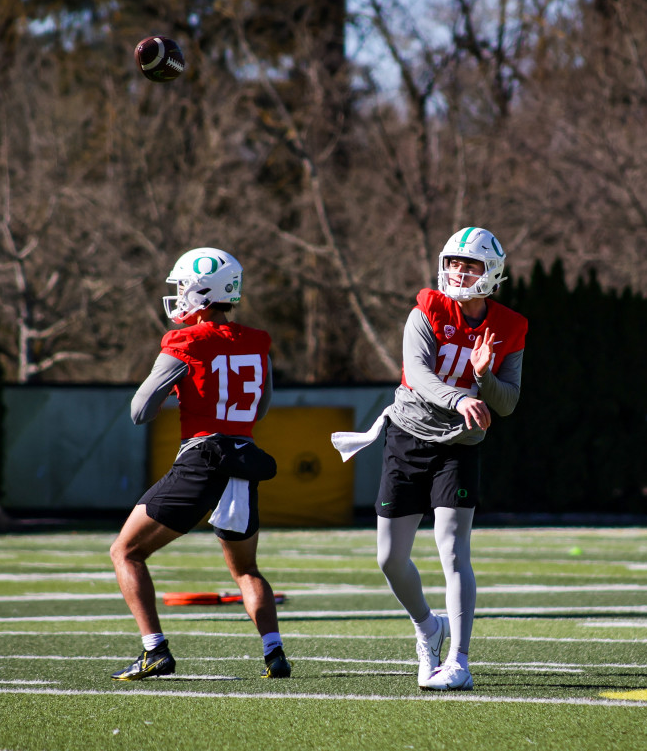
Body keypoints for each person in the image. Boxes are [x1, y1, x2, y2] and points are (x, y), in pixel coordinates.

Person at [331, 227, 527, 691]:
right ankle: (427, 626)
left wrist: (485, 376)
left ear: (491, 273)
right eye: (454, 262)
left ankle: (459, 660)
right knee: (389, 558)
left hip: (459, 447)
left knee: (453, 549)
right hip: (408, 435)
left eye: (470, 264)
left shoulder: (509, 326)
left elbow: (508, 402)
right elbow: (417, 373)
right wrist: (461, 397)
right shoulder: (427, 310)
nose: (458, 271)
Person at [109, 247, 290, 680]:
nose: (177, 296)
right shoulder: (257, 341)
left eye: (181, 287)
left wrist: (177, 386)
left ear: (202, 290)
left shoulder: (184, 342)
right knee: (247, 569)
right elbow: (260, 408)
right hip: (242, 462)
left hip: (201, 458)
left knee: (125, 552)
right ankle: (275, 654)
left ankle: (154, 650)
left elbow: (140, 411)